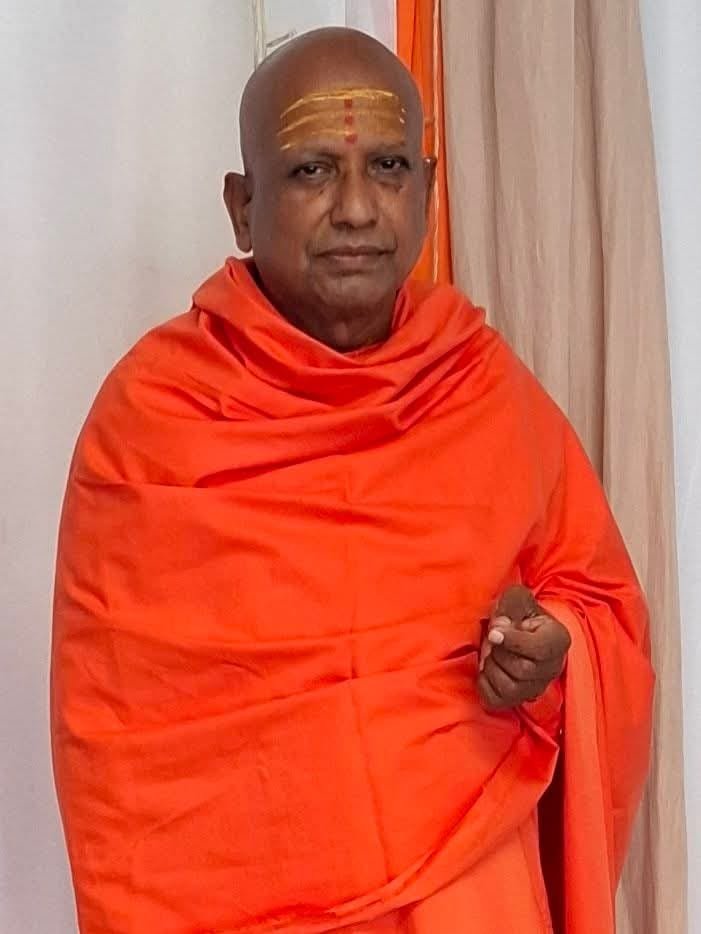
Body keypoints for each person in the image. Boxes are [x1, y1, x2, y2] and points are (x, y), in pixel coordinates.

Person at [51, 27, 653, 934]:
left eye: (388, 167)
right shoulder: (153, 424)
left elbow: (597, 605)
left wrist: (551, 651)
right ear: (242, 207)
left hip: (468, 888)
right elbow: (116, 753)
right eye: (311, 172)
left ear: (429, 191)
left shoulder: (483, 390)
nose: (358, 209)